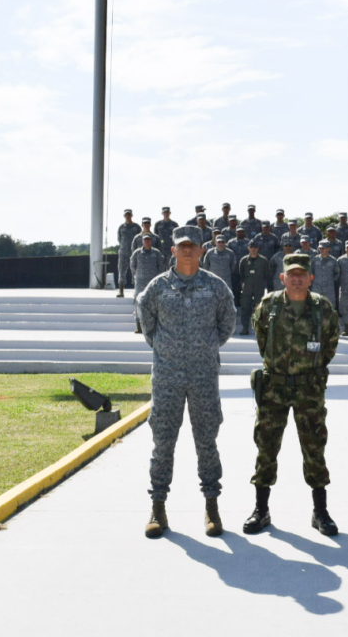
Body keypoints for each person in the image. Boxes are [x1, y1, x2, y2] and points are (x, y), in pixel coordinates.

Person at [136, 226, 236, 538]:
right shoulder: (157, 287)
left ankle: (211, 505)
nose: (188, 251)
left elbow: (226, 324)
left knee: (206, 442)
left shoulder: (215, 286)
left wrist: (203, 349)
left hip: (204, 377)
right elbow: (148, 325)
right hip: (167, 377)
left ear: (202, 250)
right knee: (163, 443)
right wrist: (168, 350)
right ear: (173, 250)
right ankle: (158, 506)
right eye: (182, 246)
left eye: (193, 246)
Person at [244, 253, 340, 536]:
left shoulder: (322, 307)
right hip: (274, 388)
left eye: (302, 274)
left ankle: (320, 511)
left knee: (314, 447)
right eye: (291, 274)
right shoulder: (269, 305)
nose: (297, 278)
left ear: (311, 278)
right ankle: (261, 509)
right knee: (266, 446)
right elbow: (261, 338)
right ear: (282, 277)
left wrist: (311, 368)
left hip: (309, 389)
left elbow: (331, 342)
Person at [130, 233, 164, 333]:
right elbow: (133, 266)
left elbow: (161, 266)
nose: (147, 241)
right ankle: (138, 326)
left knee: (154, 304)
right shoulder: (137, 253)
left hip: (153, 283)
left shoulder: (157, 253)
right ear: (142, 241)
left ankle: (154, 325)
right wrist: (138, 275)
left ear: (151, 241)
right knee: (138, 303)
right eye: (145, 240)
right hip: (140, 283)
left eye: (149, 240)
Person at [238, 241, 270, 336]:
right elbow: (241, 275)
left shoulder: (263, 260)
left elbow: (267, 275)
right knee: (245, 308)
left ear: (258, 248)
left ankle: (259, 328)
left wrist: (267, 289)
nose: (253, 249)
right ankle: (245, 328)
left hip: (259, 287)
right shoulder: (244, 260)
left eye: (255, 247)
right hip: (247, 287)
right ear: (248, 248)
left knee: (259, 309)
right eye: (251, 246)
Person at [117, 209, 142, 290]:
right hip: (123, 252)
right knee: (122, 270)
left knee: (135, 270)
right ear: (124, 216)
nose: (128, 216)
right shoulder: (121, 227)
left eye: (129, 214)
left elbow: (140, 238)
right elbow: (119, 239)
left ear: (131, 215)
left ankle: (136, 289)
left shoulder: (136, 227)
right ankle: (121, 289)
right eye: (126, 214)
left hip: (134, 252)